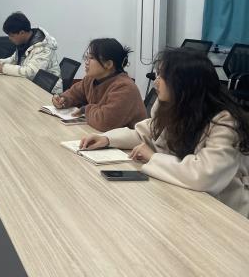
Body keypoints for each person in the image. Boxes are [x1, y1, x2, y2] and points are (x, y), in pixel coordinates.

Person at [80, 48, 249, 217]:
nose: (156, 82)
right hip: (182, 197)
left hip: (222, 209)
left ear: (184, 83)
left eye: (162, 76)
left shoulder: (225, 121)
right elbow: (145, 132)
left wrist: (152, 157)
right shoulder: (172, 105)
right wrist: (106, 139)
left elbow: (204, 175)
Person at [52, 38, 145, 131]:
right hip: (103, 135)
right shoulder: (90, 79)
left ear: (108, 64)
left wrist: (85, 109)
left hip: (129, 139)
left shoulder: (124, 88)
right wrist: (62, 100)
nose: (86, 62)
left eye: (92, 58)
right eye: (87, 57)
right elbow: (74, 93)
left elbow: (105, 122)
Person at [0, 12, 62, 93]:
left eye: (12, 35)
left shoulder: (43, 48)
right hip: (31, 85)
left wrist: (3, 68)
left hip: (49, 92)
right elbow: (14, 59)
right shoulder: (25, 42)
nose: (9, 38)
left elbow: (30, 72)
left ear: (22, 33)